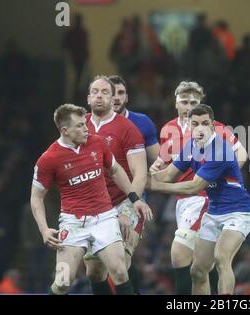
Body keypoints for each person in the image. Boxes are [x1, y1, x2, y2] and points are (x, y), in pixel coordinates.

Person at [30, 104, 151, 295]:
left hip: (105, 217)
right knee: (63, 282)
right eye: (79, 125)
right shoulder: (49, 158)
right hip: (73, 223)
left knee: (119, 270)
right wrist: (44, 229)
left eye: (85, 123)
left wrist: (134, 198)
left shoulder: (97, 143)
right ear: (65, 131)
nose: (86, 128)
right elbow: (36, 197)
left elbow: (116, 170)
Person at [149, 81, 247, 294]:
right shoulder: (169, 129)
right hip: (181, 199)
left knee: (179, 255)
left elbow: (242, 154)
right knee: (200, 268)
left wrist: (221, 172)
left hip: (204, 196)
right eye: (184, 101)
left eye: (194, 101)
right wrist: (152, 171)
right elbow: (165, 165)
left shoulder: (217, 128)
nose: (189, 105)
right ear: (175, 103)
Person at [83, 76, 152, 295]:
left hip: (124, 202)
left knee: (119, 266)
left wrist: (129, 208)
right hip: (94, 207)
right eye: (95, 91)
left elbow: (140, 173)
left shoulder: (128, 128)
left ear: (113, 97)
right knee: (94, 271)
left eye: (105, 92)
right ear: (88, 97)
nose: (100, 96)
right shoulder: (79, 125)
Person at [108, 75, 159, 164]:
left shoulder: (143, 122)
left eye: (120, 93)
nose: (116, 97)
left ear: (126, 98)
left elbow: (158, 164)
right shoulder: (90, 124)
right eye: (112, 93)